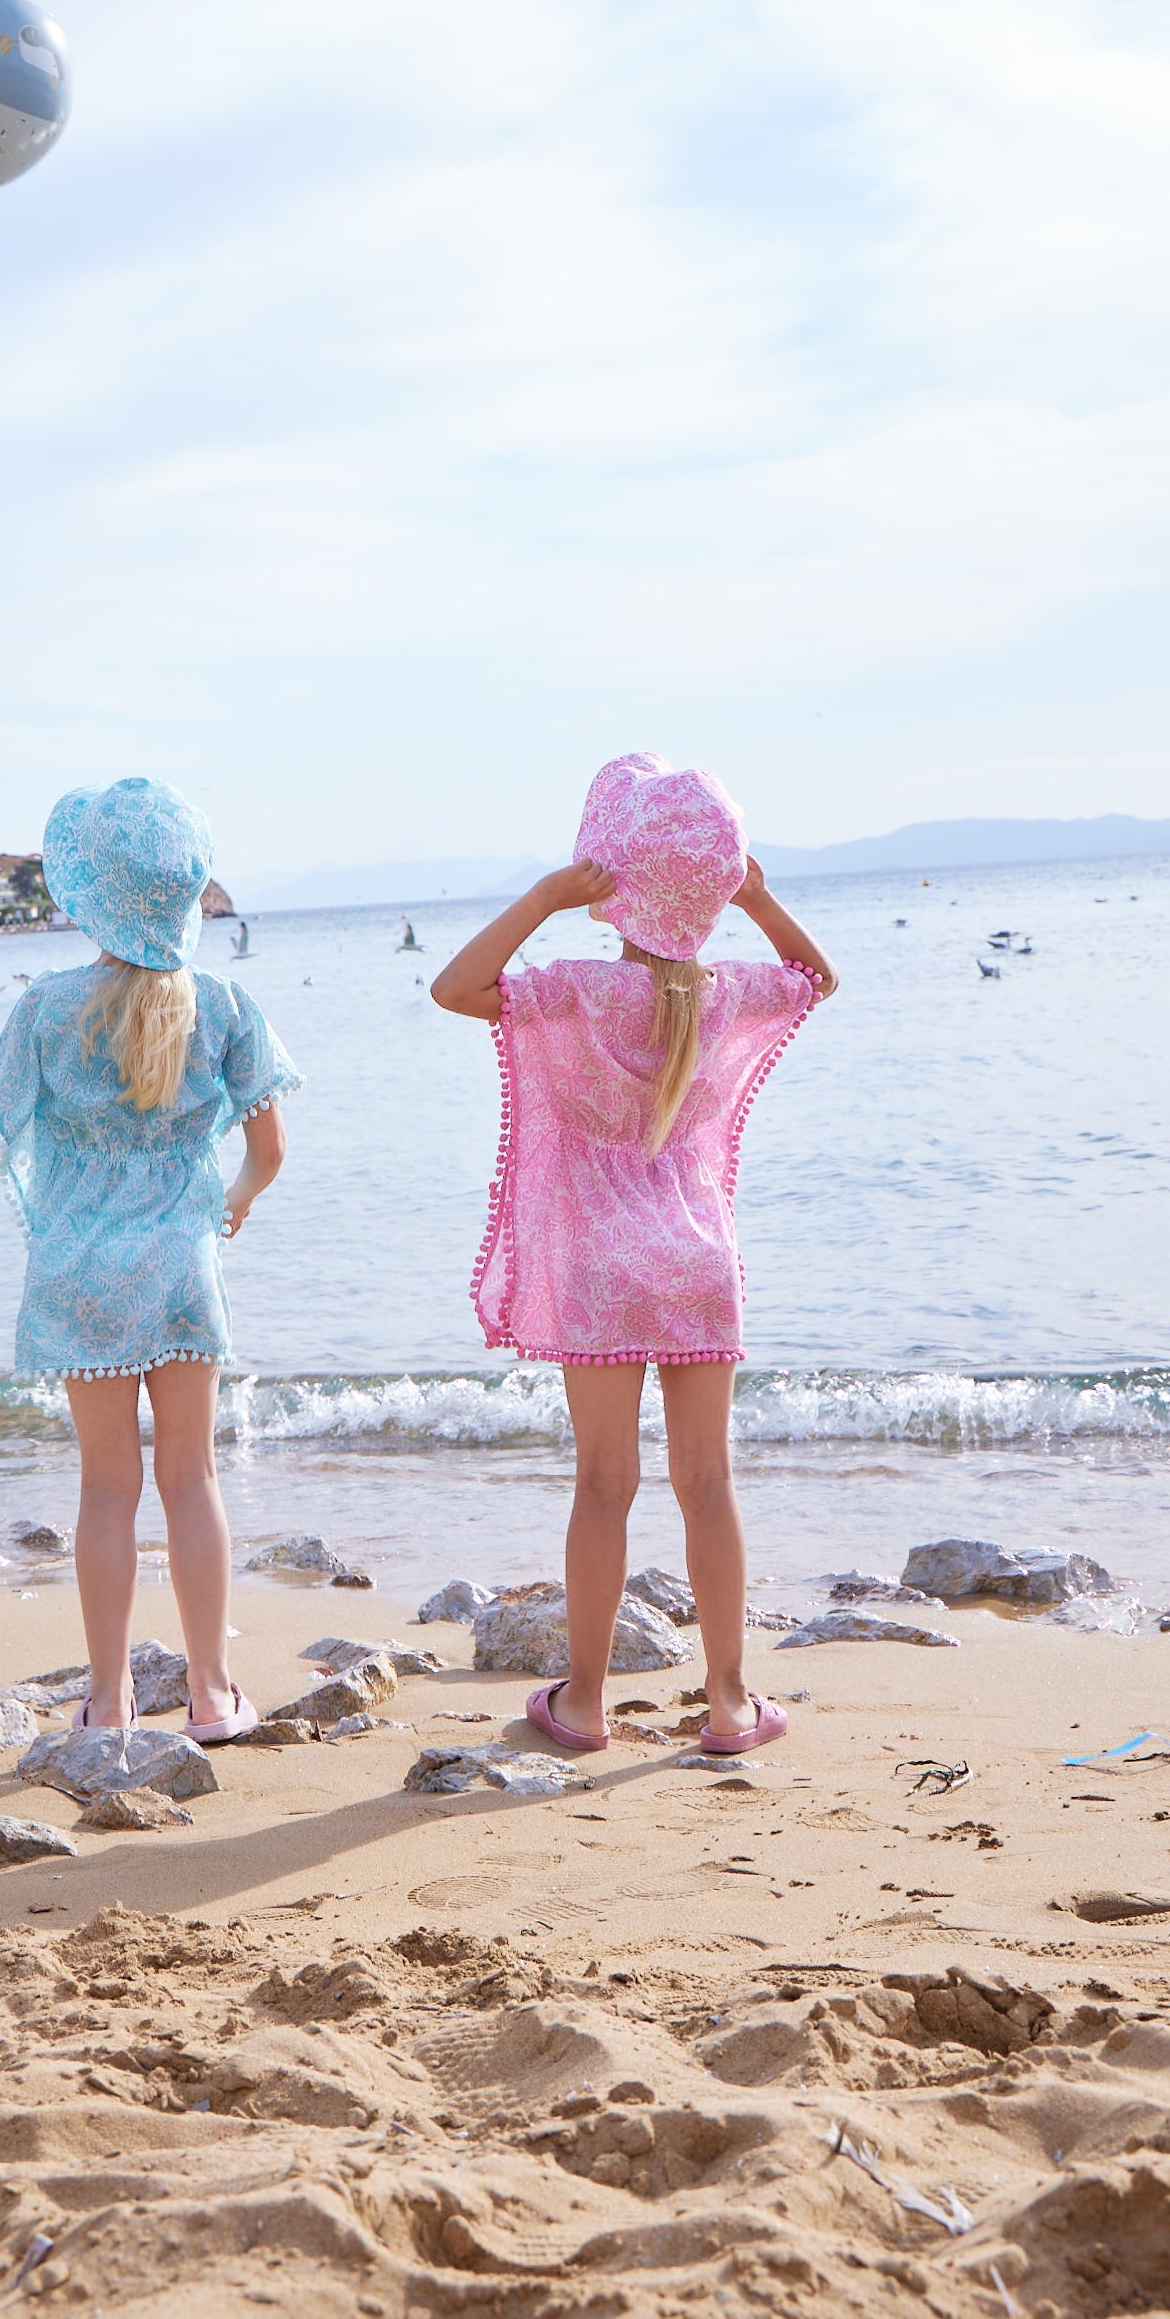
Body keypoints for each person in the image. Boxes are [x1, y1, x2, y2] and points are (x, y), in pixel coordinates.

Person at [0, 776, 299, 1744]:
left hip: (78, 1276)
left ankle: (109, 1699)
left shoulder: (48, 1009)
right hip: (179, 1270)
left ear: (89, 897)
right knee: (192, 1478)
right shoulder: (225, 1005)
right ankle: (209, 1692)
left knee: (106, 1487)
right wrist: (232, 1200)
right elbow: (271, 1150)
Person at [431, 753, 836, 1758]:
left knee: (602, 1486)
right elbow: (815, 978)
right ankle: (732, 1701)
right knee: (708, 1483)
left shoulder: (575, 992)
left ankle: (582, 1704)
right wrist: (760, 896)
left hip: (600, 1271)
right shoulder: (727, 992)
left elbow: (453, 987)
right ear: (710, 885)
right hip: (698, 1258)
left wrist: (541, 896)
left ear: (610, 884)